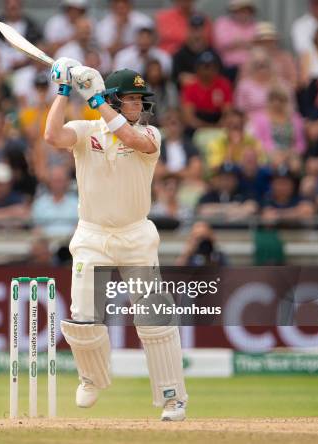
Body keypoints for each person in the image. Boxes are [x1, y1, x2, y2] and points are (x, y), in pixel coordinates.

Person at [44, 59, 187, 420]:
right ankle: (91, 378)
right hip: (92, 234)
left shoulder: (151, 136)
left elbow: (131, 138)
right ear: (115, 98)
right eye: (133, 100)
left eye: (142, 100)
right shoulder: (85, 130)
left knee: (153, 316)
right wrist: (63, 91)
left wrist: (96, 101)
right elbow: (52, 136)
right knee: (82, 317)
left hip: (135, 234)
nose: (140, 106)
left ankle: (172, 397)